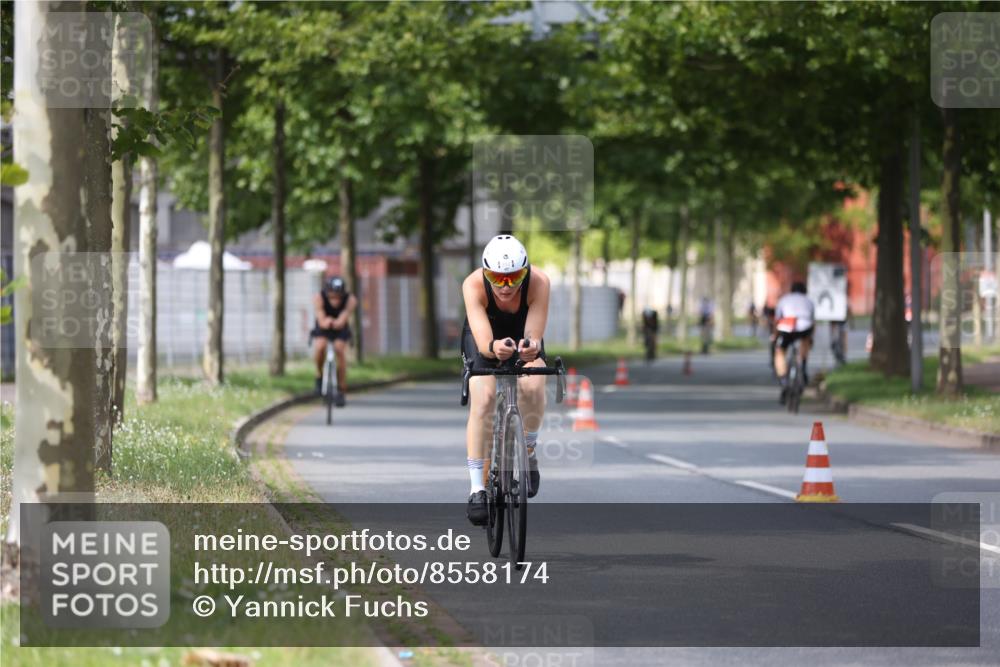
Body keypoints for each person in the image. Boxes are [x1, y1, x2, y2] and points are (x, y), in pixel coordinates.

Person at [461, 234, 550, 526]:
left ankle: (528, 450)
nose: (506, 286)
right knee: (484, 398)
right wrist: (492, 348)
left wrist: (531, 347)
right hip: (484, 337)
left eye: (514, 277)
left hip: (523, 335)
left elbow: (534, 335)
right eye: (497, 278)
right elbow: (484, 342)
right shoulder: (473, 284)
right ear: (486, 273)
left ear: (525, 271)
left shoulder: (539, 282)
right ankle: (477, 488)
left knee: (534, 383)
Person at [311, 276, 357, 407]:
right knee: (320, 347)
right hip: (324, 326)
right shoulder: (319, 298)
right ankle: (319, 375)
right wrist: (326, 322)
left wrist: (338, 322)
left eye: (338, 297)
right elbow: (321, 317)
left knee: (339, 350)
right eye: (332, 297)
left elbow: (345, 316)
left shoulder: (350, 300)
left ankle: (341, 389)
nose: (335, 300)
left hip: (340, 328)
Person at [772, 281, 815, 403]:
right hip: (805, 326)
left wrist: (775, 335)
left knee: (780, 352)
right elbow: (813, 321)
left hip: (787, 326)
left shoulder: (784, 299)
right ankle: (803, 367)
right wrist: (811, 338)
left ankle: (784, 381)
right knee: (805, 342)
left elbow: (777, 320)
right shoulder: (809, 301)